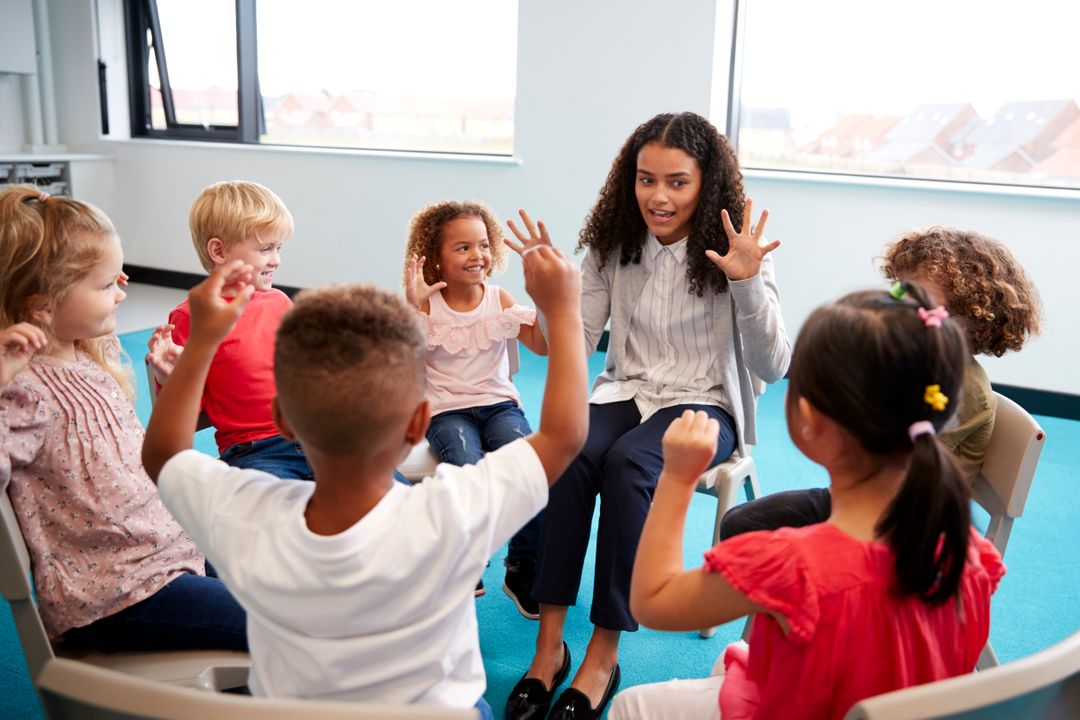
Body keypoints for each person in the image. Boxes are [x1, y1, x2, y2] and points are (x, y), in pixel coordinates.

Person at [140, 216, 588, 717]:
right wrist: (564, 310)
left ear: (283, 419)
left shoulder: (243, 511)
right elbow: (565, 436)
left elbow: (164, 455)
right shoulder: (455, 510)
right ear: (419, 422)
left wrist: (202, 342)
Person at [506, 112, 791, 720]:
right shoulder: (614, 243)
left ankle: (603, 654)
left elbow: (772, 364)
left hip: (707, 402)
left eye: (677, 182)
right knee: (572, 452)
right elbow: (576, 347)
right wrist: (548, 299)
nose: (657, 196)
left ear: (706, 183)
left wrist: (746, 282)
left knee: (631, 465)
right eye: (645, 179)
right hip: (626, 390)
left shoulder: (740, 247)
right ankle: (548, 649)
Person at [610, 284, 1006, 720]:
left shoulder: (790, 567)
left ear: (809, 419)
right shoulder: (971, 554)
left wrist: (677, 477)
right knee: (737, 658)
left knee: (632, 705)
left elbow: (653, 601)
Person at [0, 185, 246, 652]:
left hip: (170, 556)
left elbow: (134, 454)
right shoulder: (22, 390)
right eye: (106, 283)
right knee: (288, 621)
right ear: (41, 305)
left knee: (292, 582)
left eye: (120, 276)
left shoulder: (90, 356)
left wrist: (163, 379)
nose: (122, 289)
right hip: (117, 597)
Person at [717, 226, 1042, 541]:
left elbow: (901, 475)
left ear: (970, 320)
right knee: (741, 522)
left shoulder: (962, 387)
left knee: (766, 541)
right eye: (899, 293)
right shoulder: (907, 357)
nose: (898, 310)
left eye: (918, 305)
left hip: (902, 524)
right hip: (856, 496)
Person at [402, 200, 548, 613]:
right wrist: (413, 307)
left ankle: (523, 564)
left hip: (498, 404)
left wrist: (544, 297)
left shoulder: (498, 298)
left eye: (483, 245)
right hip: (446, 410)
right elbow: (403, 363)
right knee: (463, 463)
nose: (477, 255)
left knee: (526, 464)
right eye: (462, 248)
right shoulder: (428, 305)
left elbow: (542, 344)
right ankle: (467, 561)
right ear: (436, 259)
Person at [147, 180, 312, 479]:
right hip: (257, 450)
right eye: (265, 249)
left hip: (314, 435)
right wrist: (168, 377)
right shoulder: (190, 317)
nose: (277, 259)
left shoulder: (280, 303)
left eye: (279, 248)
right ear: (219, 251)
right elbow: (186, 413)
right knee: (273, 512)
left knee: (389, 494)